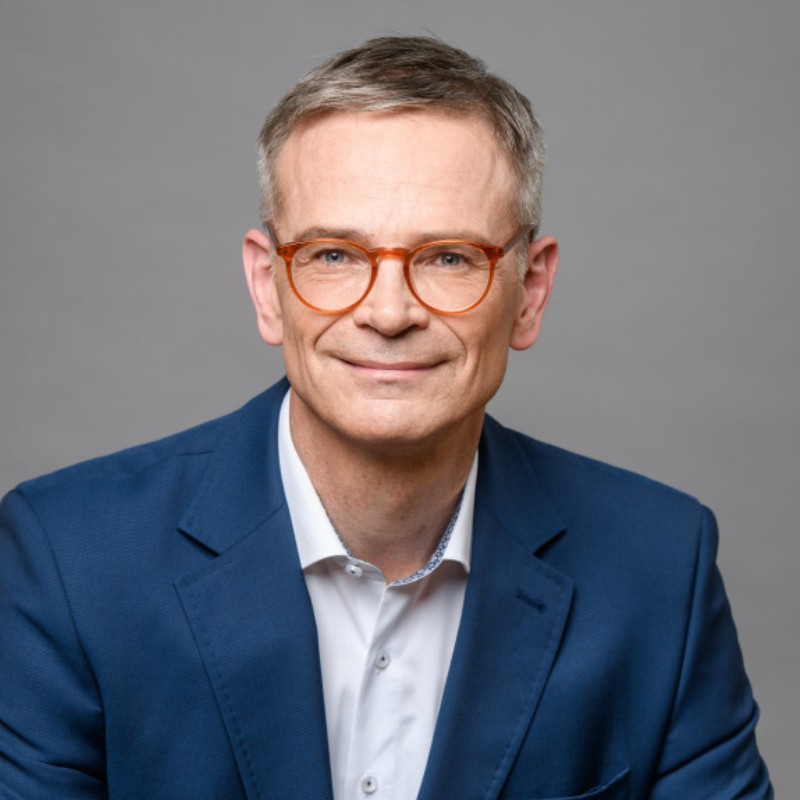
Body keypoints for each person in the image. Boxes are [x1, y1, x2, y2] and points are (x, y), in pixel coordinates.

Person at [0, 35, 772, 800]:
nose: (390, 312)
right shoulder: (69, 562)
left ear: (530, 294)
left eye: (449, 257)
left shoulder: (660, 570)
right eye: (335, 255)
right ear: (268, 288)